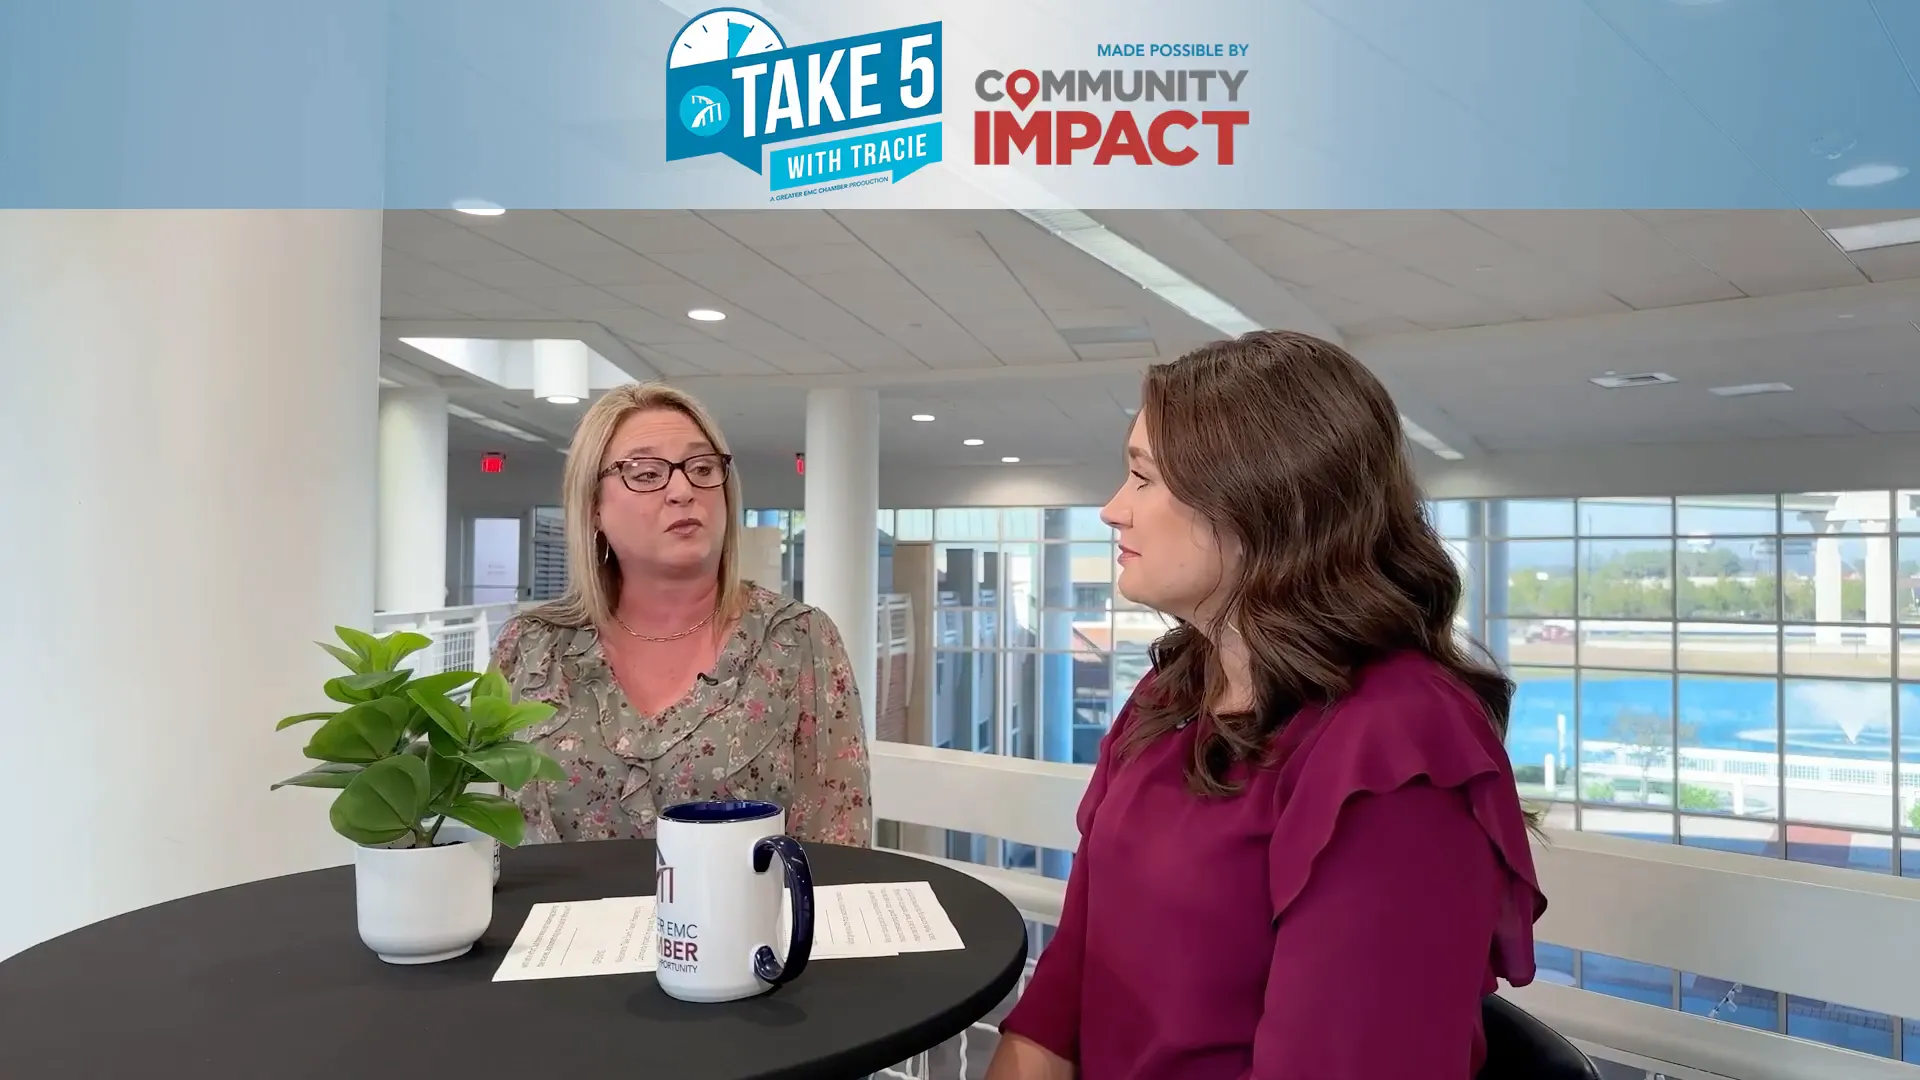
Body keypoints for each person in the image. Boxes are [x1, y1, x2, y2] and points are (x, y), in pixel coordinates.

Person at [986, 331, 1547, 1080]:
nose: (1112, 509)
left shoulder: (1395, 749)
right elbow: (1072, 980)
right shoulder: (1173, 690)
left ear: (1254, 498)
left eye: (1142, 478)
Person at [491, 382, 871, 847]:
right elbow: (491, 834)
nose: (682, 489)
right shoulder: (530, 648)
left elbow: (839, 851)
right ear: (593, 507)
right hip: (556, 919)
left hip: (749, 921)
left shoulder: (799, 641)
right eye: (646, 474)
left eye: (702, 467)